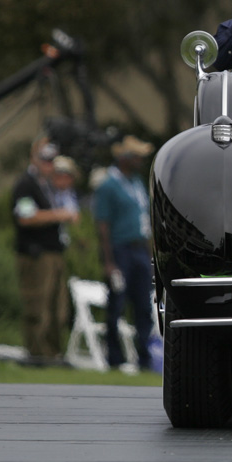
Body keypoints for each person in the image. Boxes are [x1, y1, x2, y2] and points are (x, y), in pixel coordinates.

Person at [11, 138, 79, 363]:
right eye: (45, 159)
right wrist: (60, 214)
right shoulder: (26, 184)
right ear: (34, 159)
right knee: (37, 306)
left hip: (54, 253)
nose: (49, 165)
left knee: (57, 308)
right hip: (36, 254)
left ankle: (52, 354)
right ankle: (37, 354)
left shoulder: (46, 185)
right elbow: (25, 217)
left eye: (52, 160)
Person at [93, 135, 156, 372]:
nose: (141, 160)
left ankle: (144, 355)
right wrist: (109, 262)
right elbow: (103, 225)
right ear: (125, 158)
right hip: (120, 250)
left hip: (139, 249)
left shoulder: (137, 182)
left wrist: (151, 255)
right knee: (117, 303)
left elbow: (144, 221)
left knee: (143, 304)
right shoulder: (108, 185)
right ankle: (114, 356)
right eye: (137, 156)